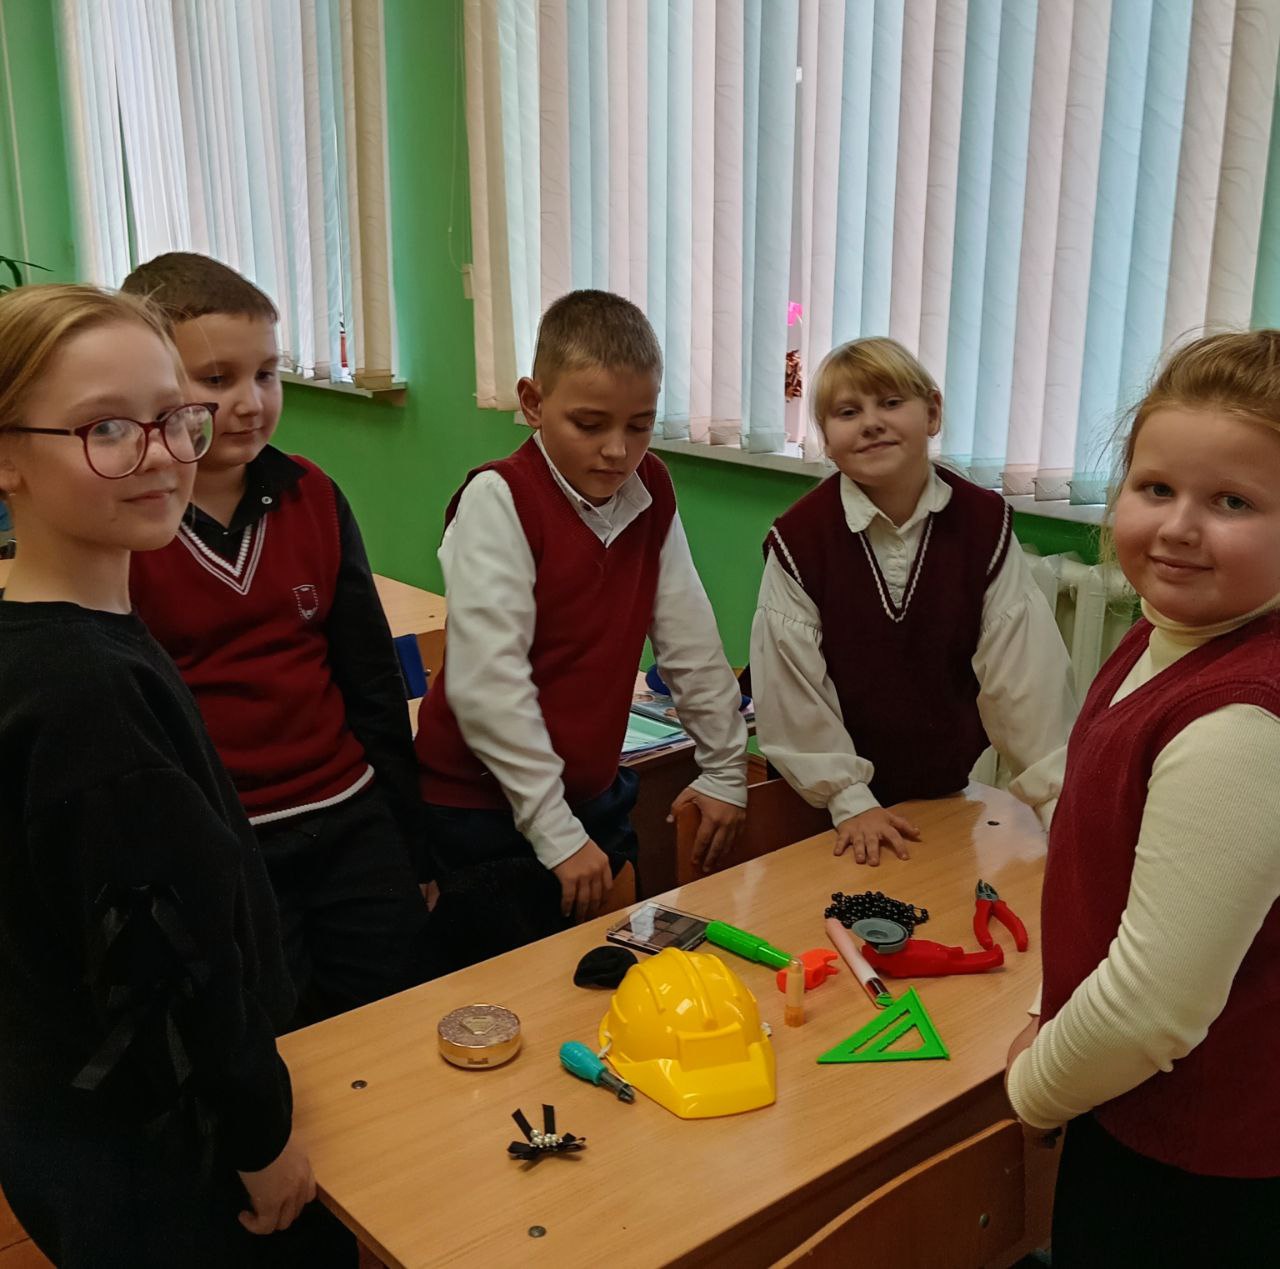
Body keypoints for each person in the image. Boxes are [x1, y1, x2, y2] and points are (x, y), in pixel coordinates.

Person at [0, 284, 338, 1266]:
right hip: (156, 1157)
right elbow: (166, 973)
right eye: (105, 428)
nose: (159, 455)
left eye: (171, 417)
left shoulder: (60, 632)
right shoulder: (86, 698)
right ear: (7, 457)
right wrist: (258, 1137)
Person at [1006, 330, 1280, 1263]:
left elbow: (1153, 1005)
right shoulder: (1167, 630)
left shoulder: (1243, 719)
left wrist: (1033, 1091)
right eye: (1156, 487)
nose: (1178, 528)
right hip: (1135, 1105)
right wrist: (1052, 1015)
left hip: (1200, 1167)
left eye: (1232, 501)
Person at [124, 253, 428, 1024]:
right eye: (216, 379)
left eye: (266, 373)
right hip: (225, 840)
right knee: (275, 1031)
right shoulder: (128, 526)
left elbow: (370, 676)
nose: (251, 402)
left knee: (396, 1011)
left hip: (350, 816)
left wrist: (408, 835)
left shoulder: (314, 495)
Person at [417, 289, 748, 968]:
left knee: (609, 979)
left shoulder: (651, 489)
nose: (617, 450)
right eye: (589, 424)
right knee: (504, 996)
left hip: (591, 796)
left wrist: (724, 767)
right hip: (479, 812)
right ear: (533, 402)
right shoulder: (499, 499)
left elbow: (688, 636)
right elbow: (489, 689)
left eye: (640, 425)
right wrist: (557, 833)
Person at [750, 337, 1076, 865]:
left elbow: (1025, 676)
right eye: (848, 412)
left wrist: (1058, 802)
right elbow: (791, 687)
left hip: (941, 794)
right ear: (827, 440)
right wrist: (849, 800)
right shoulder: (800, 540)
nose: (871, 423)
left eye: (891, 402)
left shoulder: (982, 526)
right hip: (825, 809)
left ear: (933, 413)